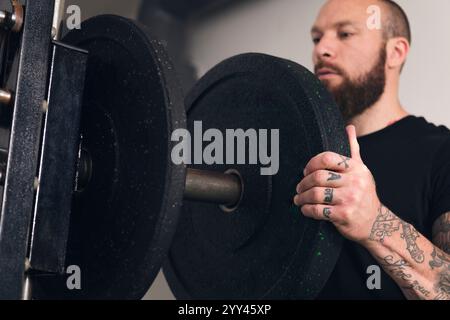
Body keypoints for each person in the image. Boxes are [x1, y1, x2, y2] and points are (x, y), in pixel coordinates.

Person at [293, 0, 450, 300]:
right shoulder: (300, 153)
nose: (321, 50)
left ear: (395, 52)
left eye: (345, 34)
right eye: (316, 38)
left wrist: (374, 221)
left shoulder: (442, 154)